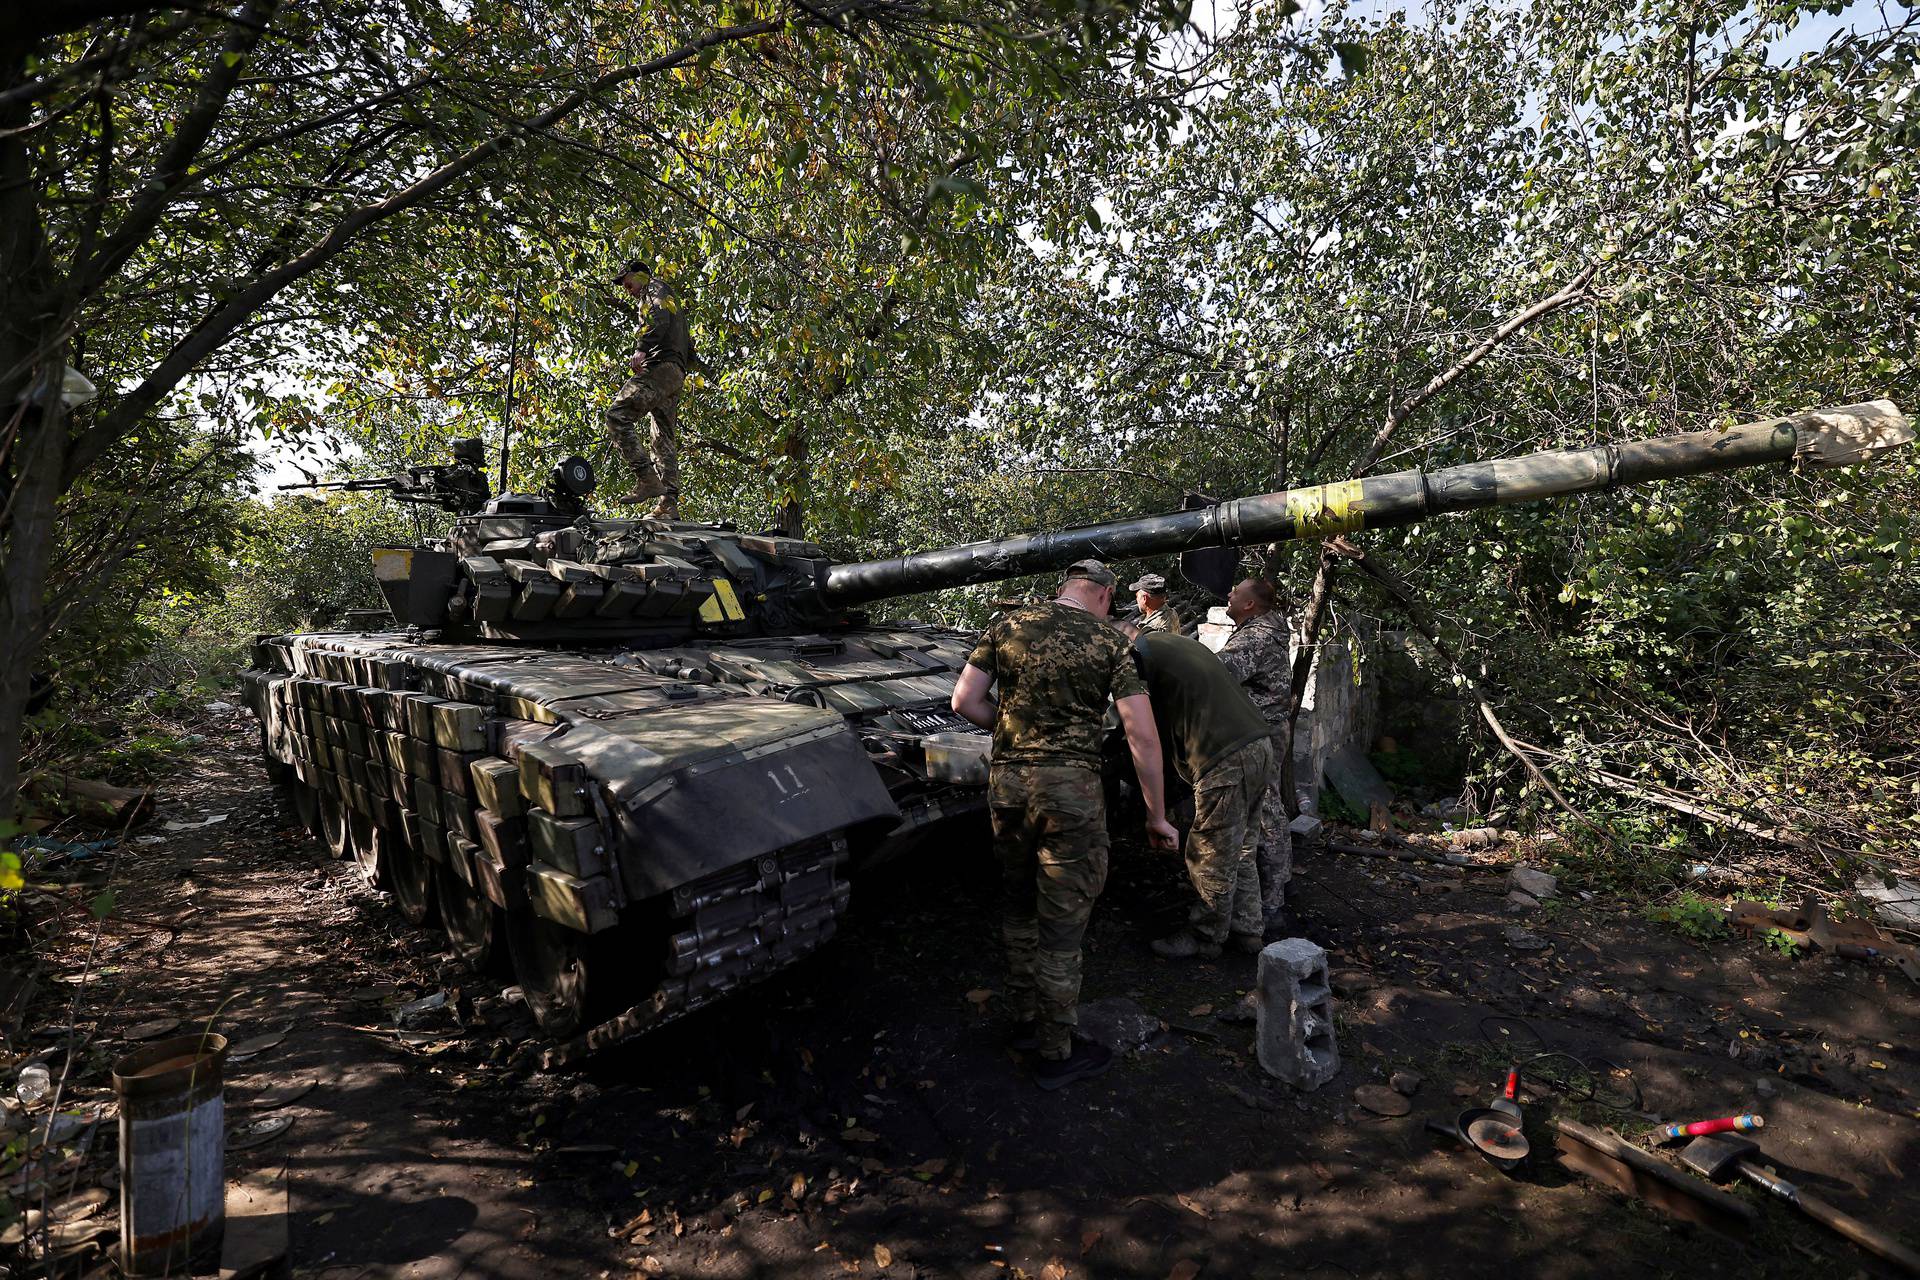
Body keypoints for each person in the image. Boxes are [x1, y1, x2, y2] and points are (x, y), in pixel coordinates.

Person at [952, 559, 1179, 1091]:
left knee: (1018, 904)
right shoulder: (1109, 642)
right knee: (1061, 923)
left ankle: (1025, 1022)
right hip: (1071, 792)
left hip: (1008, 786)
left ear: (1064, 588)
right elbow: (1142, 736)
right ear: (1103, 594)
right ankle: (1056, 1052)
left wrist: (1012, 736)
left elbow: (964, 701)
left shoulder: (1007, 625)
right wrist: (1156, 815)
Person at [1113, 620, 1275, 960]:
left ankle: (1205, 935)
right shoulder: (1173, 644)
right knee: (1241, 846)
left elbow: (1142, 729)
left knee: (1208, 852)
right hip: (1257, 744)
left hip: (1223, 756)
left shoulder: (1140, 657)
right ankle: (1247, 930)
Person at [1216, 576, 1293, 930]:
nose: (1229, 594)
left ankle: (1271, 901)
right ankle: (1274, 892)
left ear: (1250, 605)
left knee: (1265, 812)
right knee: (1268, 807)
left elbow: (1215, 674)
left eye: (1236, 592)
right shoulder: (1265, 629)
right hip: (1268, 728)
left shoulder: (1255, 636)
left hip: (1259, 731)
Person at [603, 260, 695, 519]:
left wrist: (643, 346)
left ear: (639, 275)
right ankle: (668, 503)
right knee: (662, 436)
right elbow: (687, 340)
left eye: (626, 282)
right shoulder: (663, 293)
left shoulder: (655, 289)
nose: (626, 288)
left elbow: (658, 316)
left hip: (661, 366)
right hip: (675, 372)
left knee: (617, 415)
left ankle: (646, 478)